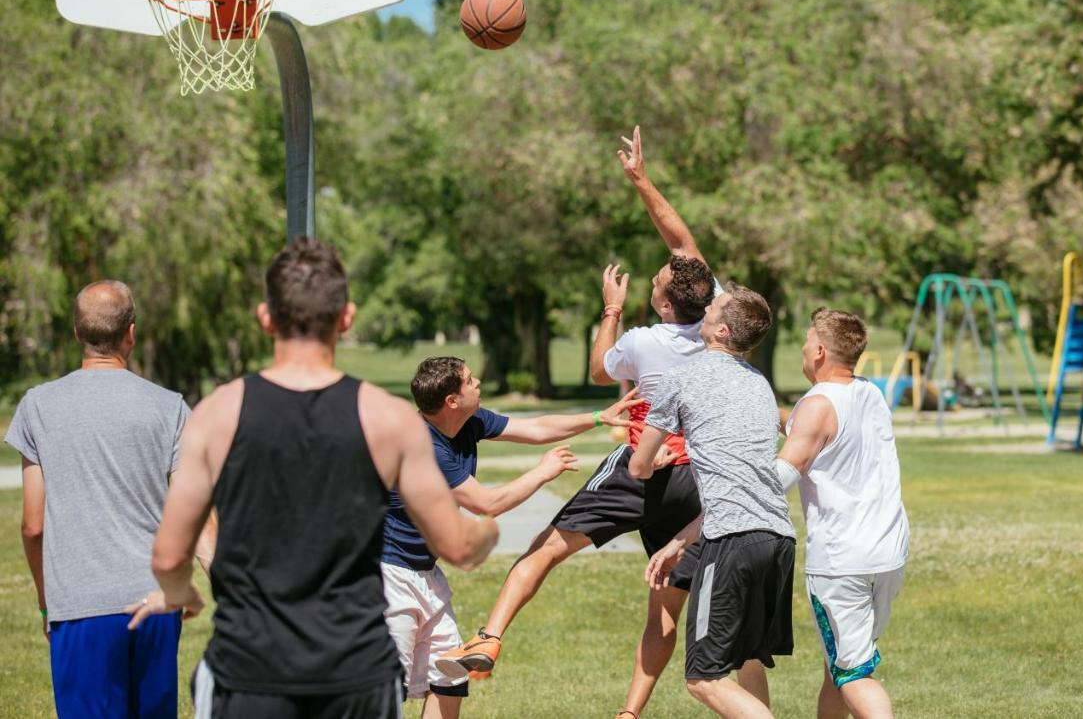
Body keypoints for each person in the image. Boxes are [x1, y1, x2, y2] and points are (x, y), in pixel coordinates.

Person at [438, 126, 769, 718]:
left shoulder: (642, 341)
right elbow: (682, 240)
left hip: (640, 465)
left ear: (665, 304)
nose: (657, 276)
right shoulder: (714, 318)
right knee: (661, 608)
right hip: (695, 478)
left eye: (658, 282)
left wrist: (611, 309)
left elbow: (597, 370)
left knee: (543, 551)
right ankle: (629, 713)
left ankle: (490, 636)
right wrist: (642, 180)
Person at [125, 238, 499, 718]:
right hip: (356, 671)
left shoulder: (216, 413)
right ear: (346, 318)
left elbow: (169, 552)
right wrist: (488, 524)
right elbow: (461, 547)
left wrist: (180, 592)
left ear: (265, 318)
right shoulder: (388, 419)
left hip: (248, 670)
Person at [384, 355, 639, 718]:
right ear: (451, 401)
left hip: (425, 573)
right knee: (386, 689)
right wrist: (542, 473)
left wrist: (599, 417)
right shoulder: (424, 446)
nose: (478, 383)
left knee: (451, 675)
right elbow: (487, 502)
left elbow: (535, 429)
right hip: (389, 577)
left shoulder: (468, 421)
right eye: (470, 380)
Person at [5, 280, 191, 718]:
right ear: (131, 333)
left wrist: (47, 602)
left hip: (80, 607)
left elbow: (33, 526)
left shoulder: (38, 407)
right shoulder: (170, 407)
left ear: (76, 334)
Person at [633, 283, 795, 719]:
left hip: (732, 543)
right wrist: (680, 542)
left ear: (722, 331)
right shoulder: (759, 384)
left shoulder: (680, 378)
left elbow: (639, 467)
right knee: (746, 658)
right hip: (778, 539)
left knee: (703, 678)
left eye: (715, 306)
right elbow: (737, 485)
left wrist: (651, 461)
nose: (706, 306)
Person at [777, 308, 909, 719]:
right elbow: (813, 429)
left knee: (853, 672)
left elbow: (782, 473)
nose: (802, 349)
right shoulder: (869, 393)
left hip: (841, 561)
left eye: (805, 341)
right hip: (887, 553)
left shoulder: (817, 404)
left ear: (818, 350)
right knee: (838, 663)